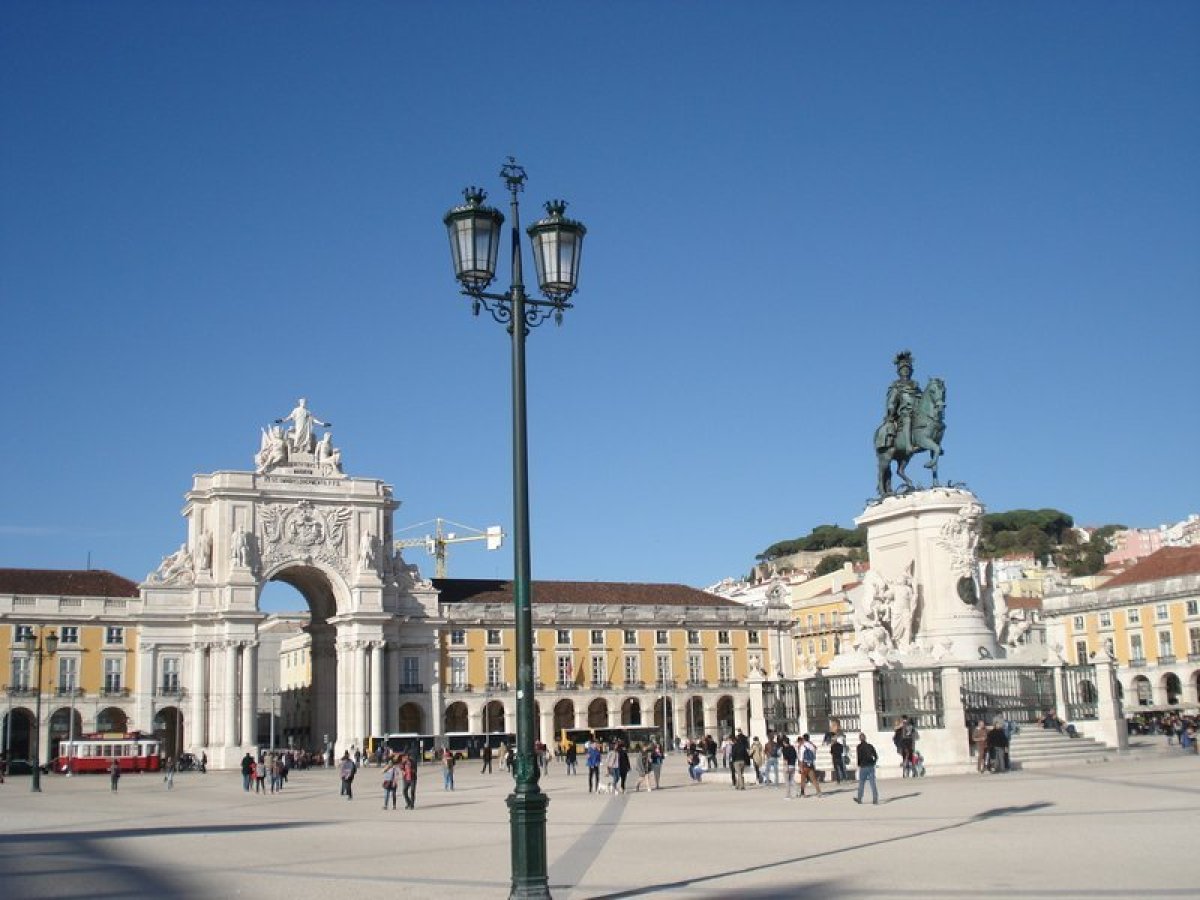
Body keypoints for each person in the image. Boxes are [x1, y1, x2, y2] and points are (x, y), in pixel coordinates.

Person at [853, 733, 879, 805]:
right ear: (865, 738)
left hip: (863, 766)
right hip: (870, 766)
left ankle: (859, 798)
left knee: (861, 783)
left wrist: (859, 764)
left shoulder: (859, 747)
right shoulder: (870, 746)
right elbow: (876, 756)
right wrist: (873, 762)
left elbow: (859, 757)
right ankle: (875, 799)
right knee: (872, 783)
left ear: (860, 739)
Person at [780, 735, 798, 800]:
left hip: (787, 766)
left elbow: (785, 759)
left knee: (787, 781)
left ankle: (788, 795)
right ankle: (797, 792)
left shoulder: (785, 749)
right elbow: (795, 757)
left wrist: (786, 766)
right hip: (793, 766)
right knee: (792, 780)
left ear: (784, 742)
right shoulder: (793, 748)